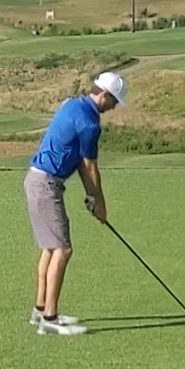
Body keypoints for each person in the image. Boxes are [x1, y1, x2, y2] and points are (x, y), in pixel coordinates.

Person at [24, 71, 126, 335]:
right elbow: (90, 168)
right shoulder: (90, 124)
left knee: (50, 247)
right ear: (103, 94)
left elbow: (82, 165)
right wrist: (100, 205)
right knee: (62, 250)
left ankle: (40, 310)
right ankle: (50, 318)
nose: (114, 107)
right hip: (46, 184)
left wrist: (93, 198)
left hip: (38, 180)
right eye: (114, 101)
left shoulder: (71, 103)